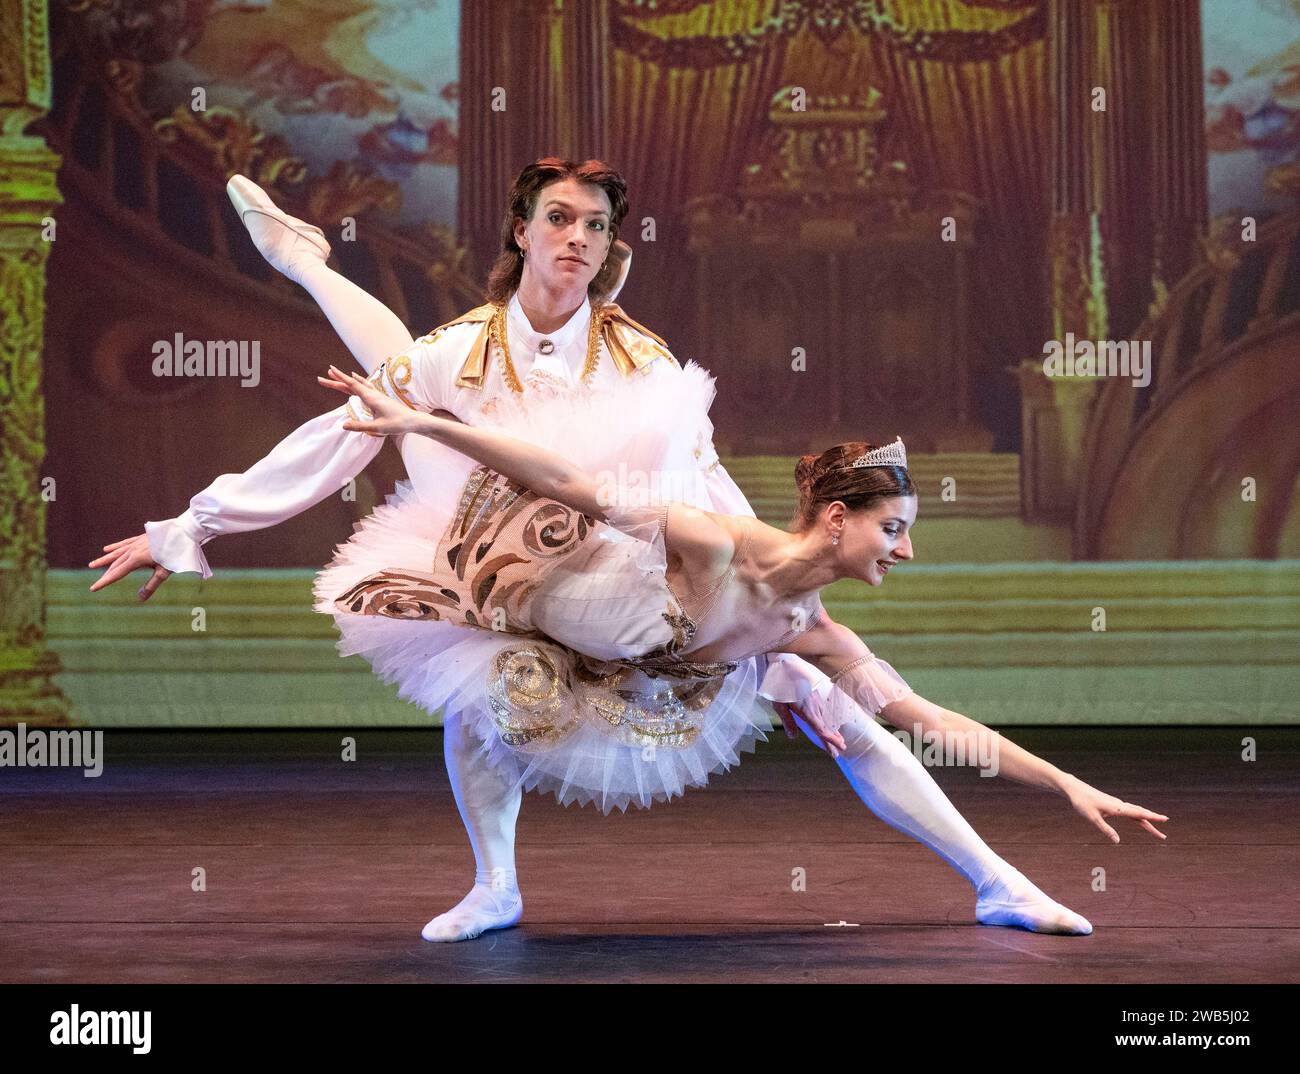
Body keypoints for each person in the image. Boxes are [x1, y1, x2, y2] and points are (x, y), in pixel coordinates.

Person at [90, 159, 1166, 943]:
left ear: (612, 247)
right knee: (421, 474)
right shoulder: (462, 349)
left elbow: (693, 483)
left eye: (596, 226)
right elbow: (363, 440)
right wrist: (196, 524)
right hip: (512, 532)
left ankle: (995, 878)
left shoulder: (642, 361)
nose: (576, 239)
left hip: (633, 565)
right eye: (557, 220)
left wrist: (757, 581)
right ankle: (496, 885)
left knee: (829, 698)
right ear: (521, 233)